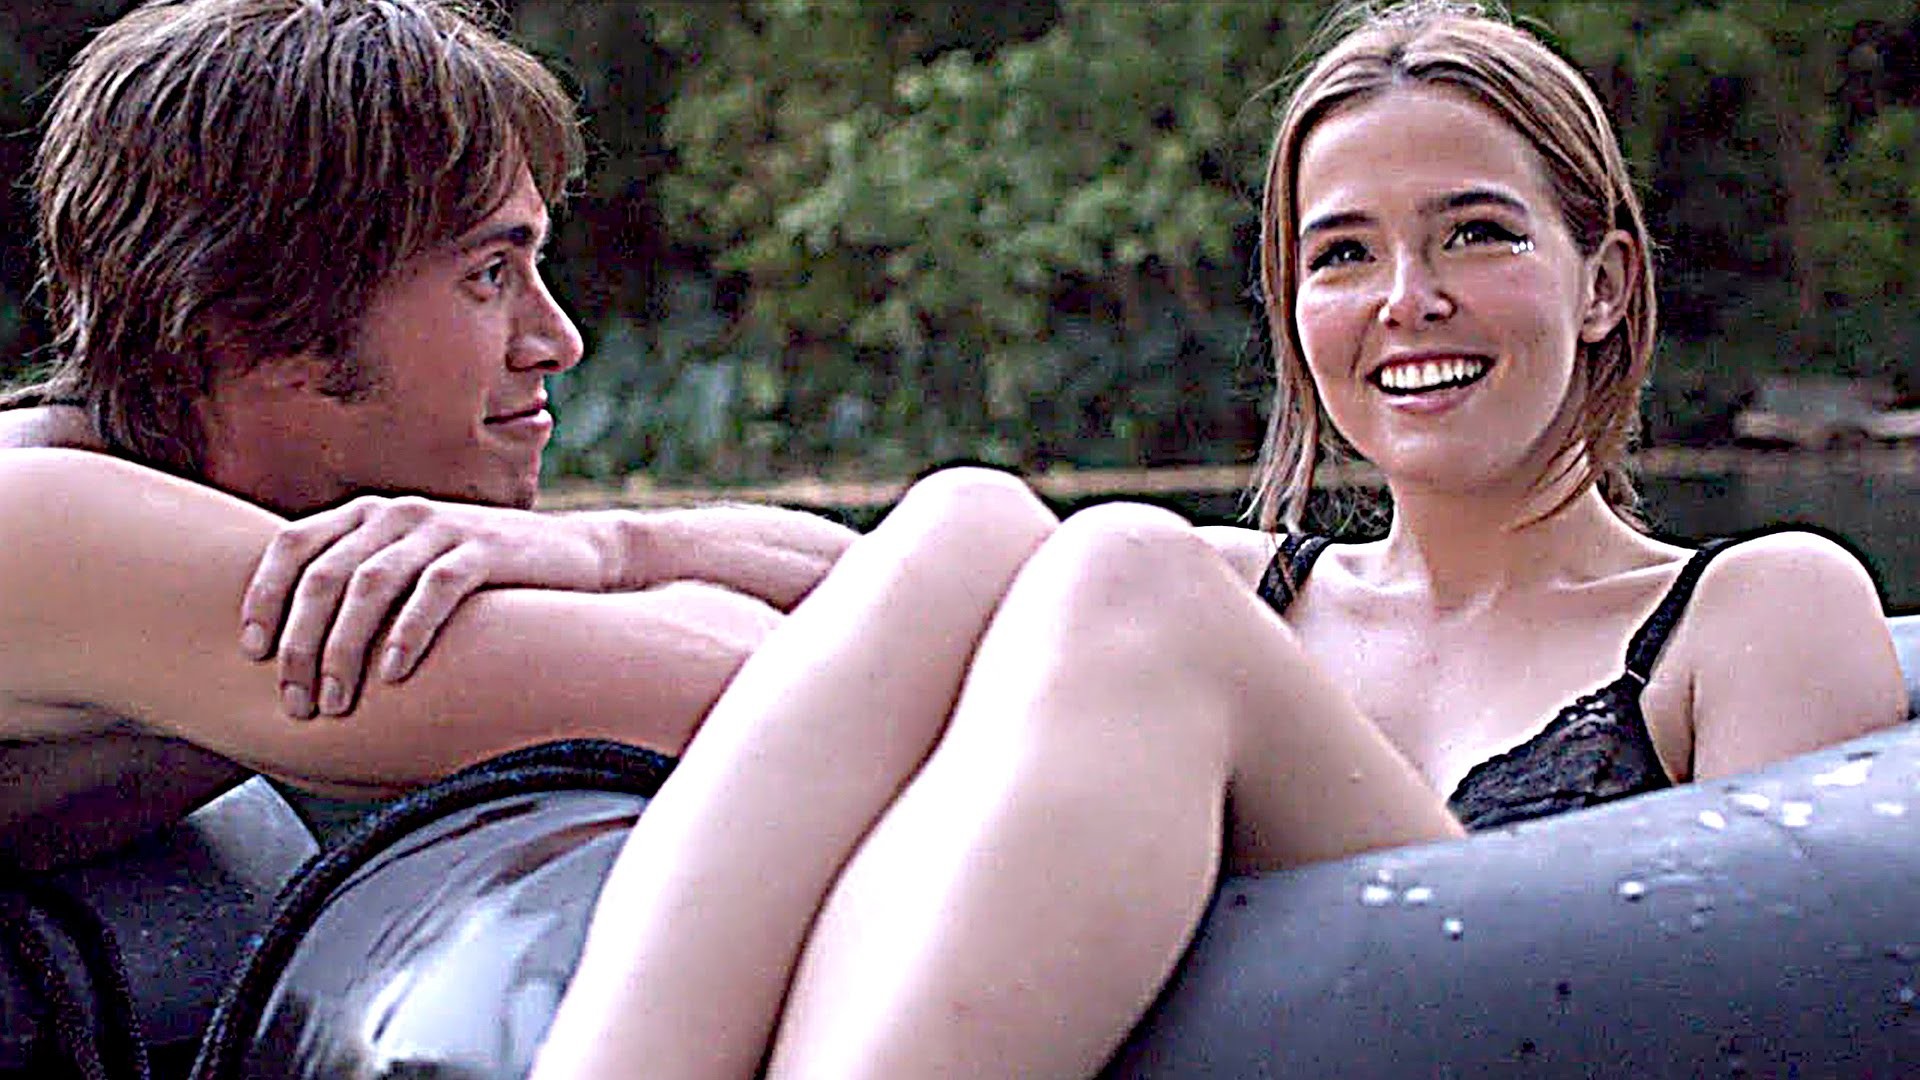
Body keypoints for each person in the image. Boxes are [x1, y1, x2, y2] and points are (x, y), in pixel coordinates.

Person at [522, 2, 1910, 1077]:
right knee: (971, 516)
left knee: (1124, 563)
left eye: (1476, 235)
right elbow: (881, 598)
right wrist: (608, 551)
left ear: (1603, 284)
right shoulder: (1239, 601)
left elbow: (1789, 1009)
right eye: (1344, 254)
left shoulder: (1756, 609)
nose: (1406, 300)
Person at [0, 0, 853, 871]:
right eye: (489, 274)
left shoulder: (195, 499)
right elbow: (771, 686)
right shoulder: (38, 524)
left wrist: (610, 550)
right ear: (261, 326)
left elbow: (874, 585)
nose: (557, 340)